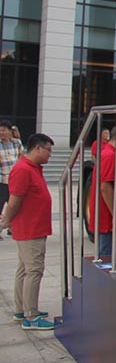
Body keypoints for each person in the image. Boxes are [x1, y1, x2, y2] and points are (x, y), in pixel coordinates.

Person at [2, 133, 56, 330]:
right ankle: (31, 316)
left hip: (34, 226)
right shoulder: (23, 169)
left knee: (24, 269)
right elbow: (14, 200)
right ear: (38, 148)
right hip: (29, 228)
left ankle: (21, 309)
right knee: (34, 270)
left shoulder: (33, 168)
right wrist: (6, 220)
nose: (50, 155)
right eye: (48, 151)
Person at [88, 125, 116, 256]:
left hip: (109, 218)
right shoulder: (109, 156)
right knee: (105, 257)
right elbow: (105, 187)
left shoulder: (112, 155)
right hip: (107, 219)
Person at [0, 120, 24, 235]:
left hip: (15, 179)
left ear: (10, 131)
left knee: (14, 204)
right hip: (2, 180)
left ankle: (12, 228)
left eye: (4, 130)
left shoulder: (17, 143)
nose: (2, 132)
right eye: (0, 130)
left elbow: (21, 157)